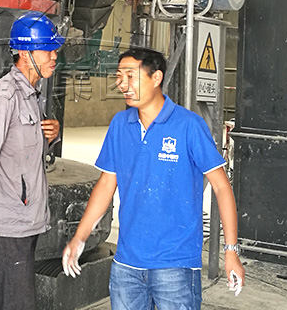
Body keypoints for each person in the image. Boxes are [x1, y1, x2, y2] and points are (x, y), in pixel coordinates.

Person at [62, 47, 244, 310]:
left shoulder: (188, 125)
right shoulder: (119, 124)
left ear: (156, 77)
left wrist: (230, 251)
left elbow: (221, 187)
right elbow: (106, 184)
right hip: (127, 264)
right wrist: (80, 237)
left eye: (130, 76)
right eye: (118, 76)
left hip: (176, 265)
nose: (122, 84)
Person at [0, 11, 64, 310]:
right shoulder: (4, 96)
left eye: (55, 49)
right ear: (24, 52)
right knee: (18, 302)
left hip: (20, 221)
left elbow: (20, 149)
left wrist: (51, 134)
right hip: (5, 225)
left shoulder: (31, 95)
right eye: (47, 49)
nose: (54, 56)